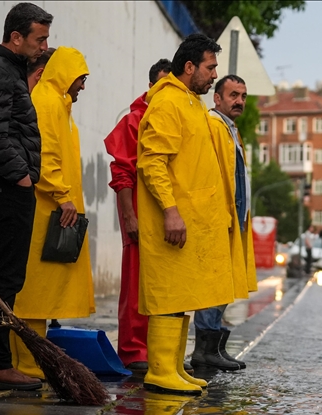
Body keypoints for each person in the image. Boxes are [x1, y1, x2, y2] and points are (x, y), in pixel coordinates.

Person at [137, 33, 235, 395]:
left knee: (181, 294)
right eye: (210, 68)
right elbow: (152, 162)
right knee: (167, 294)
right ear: (189, 66)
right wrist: (170, 210)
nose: (213, 75)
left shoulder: (190, 103)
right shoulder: (167, 104)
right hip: (173, 220)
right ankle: (160, 370)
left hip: (189, 220)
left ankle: (173, 367)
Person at [0, 2, 52, 391]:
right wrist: (21, 176)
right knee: (4, 277)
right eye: (39, 39)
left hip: (2, 184)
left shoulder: (7, 71)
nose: (44, 46)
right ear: (15, 37)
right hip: (3, 186)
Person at [12, 46, 94, 380]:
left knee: (42, 292)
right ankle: (25, 365)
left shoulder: (59, 104)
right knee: (33, 292)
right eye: (81, 78)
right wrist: (63, 196)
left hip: (54, 211)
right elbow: (44, 156)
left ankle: (32, 364)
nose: (83, 86)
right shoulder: (46, 102)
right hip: (45, 210)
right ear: (63, 72)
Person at [104, 59, 172, 372]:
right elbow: (122, 171)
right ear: (150, 86)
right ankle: (133, 350)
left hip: (166, 213)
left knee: (164, 283)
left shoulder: (173, 118)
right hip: (140, 213)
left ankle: (157, 347)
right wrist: (129, 216)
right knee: (136, 281)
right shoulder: (136, 120)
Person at [190, 74, 258, 371]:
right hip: (220, 217)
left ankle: (214, 348)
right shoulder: (215, 126)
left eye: (242, 96)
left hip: (234, 216)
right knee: (214, 284)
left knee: (224, 284)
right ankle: (204, 351)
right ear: (217, 98)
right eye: (233, 95)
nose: (239, 101)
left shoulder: (230, 129)